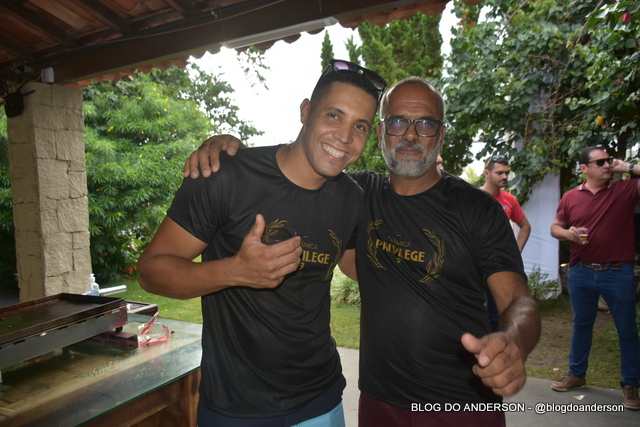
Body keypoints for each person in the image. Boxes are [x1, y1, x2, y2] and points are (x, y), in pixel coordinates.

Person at [185, 77, 541, 426]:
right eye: (398, 122)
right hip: (379, 401)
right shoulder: (357, 195)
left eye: (426, 124)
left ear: (441, 134)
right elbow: (294, 171)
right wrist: (231, 151)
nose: (411, 135)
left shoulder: (477, 209)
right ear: (381, 132)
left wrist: (514, 341)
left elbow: (517, 300)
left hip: (461, 404)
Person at [138, 59, 386, 426]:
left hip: (321, 400)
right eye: (334, 115)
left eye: (359, 126)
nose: (345, 136)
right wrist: (235, 271)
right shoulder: (226, 176)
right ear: (306, 111)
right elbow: (151, 271)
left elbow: (356, 264)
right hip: (235, 408)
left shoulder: (352, 198)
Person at [549, 146, 640, 410]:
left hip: (617, 272)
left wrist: (628, 167)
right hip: (581, 271)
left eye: (609, 161)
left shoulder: (625, 189)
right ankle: (576, 374)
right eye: (600, 162)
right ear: (584, 168)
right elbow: (555, 227)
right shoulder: (570, 197)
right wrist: (567, 233)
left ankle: (630, 384)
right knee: (581, 325)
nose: (607, 165)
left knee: (627, 330)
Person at [479, 155, 532, 332]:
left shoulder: (509, 199)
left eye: (507, 173)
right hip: (474, 265)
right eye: (499, 173)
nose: (504, 177)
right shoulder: (473, 197)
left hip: (498, 266)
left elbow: (525, 226)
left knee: (497, 314)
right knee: (472, 310)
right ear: (486, 173)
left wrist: (514, 254)